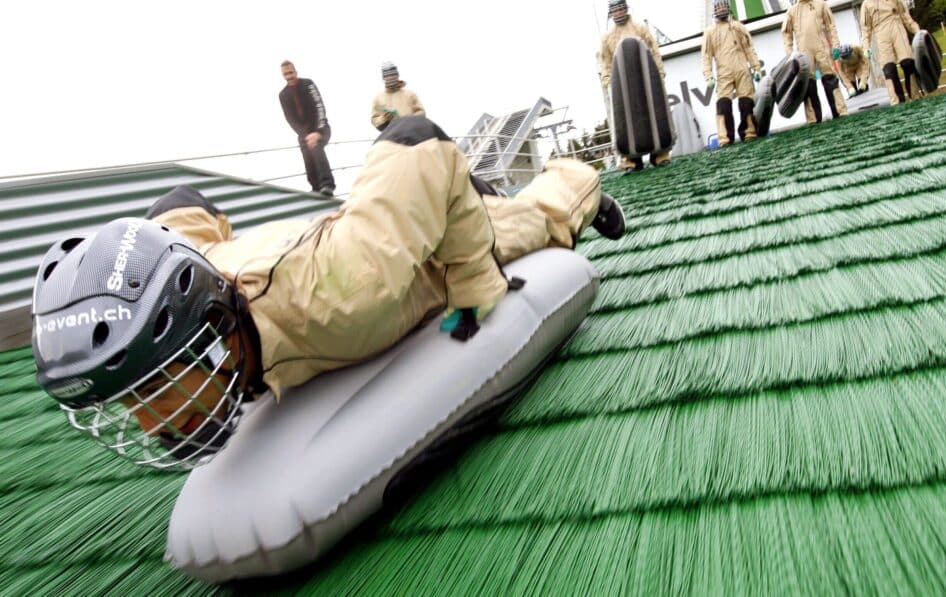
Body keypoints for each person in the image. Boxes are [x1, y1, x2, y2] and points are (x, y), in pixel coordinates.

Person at [31, 116, 628, 469]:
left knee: (528, 225)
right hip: (274, 256)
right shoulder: (194, 275)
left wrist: (473, 288)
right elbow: (182, 207)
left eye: (153, 388)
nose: (144, 420)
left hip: (405, 246)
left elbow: (417, 138)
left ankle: (577, 186)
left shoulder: (348, 291)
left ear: (205, 340)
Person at [598, 0, 671, 171]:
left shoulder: (640, 28)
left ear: (626, 9)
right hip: (623, 87)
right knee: (626, 120)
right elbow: (605, 63)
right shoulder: (607, 37)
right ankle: (632, 159)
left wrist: (659, 73)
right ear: (611, 13)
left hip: (646, 81)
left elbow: (654, 50)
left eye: (621, 9)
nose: (619, 13)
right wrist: (609, 84)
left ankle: (660, 154)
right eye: (615, 10)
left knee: (655, 113)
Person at [702, 0, 763, 146]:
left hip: (742, 70)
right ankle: (725, 138)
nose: (722, 9)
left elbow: (749, 49)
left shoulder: (738, 27)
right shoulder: (710, 32)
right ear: (715, 10)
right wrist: (709, 75)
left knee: (747, 102)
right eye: (719, 7)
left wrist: (756, 68)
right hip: (724, 74)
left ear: (728, 8)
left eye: (724, 6)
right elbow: (706, 56)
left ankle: (749, 132)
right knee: (723, 105)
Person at [782, 0, 849, 123]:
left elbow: (831, 26)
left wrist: (835, 45)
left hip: (822, 47)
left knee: (830, 78)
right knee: (808, 84)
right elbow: (786, 35)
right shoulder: (792, 11)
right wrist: (790, 54)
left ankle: (840, 111)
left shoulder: (821, 4)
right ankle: (813, 119)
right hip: (803, 52)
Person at [278, 60, 336, 197]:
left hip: (321, 127)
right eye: (286, 74)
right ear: (282, 75)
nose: (289, 76)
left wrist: (318, 132)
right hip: (304, 133)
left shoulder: (308, 84)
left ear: (296, 72)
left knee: (315, 147)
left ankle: (327, 185)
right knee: (306, 153)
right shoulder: (283, 95)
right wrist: (304, 135)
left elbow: (319, 106)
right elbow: (290, 118)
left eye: (291, 73)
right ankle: (315, 188)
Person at [860, 0, 923, 105]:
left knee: (907, 63)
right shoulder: (866, 4)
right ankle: (897, 101)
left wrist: (917, 31)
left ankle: (915, 96)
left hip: (896, 25)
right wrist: (866, 46)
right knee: (889, 69)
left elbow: (906, 17)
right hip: (880, 32)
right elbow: (865, 28)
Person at [371, 62, 426, 132]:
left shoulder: (410, 94)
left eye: (393, 74)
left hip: (411, 134)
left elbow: (421, 112)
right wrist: (384, 118)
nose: (390, 77)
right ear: (383, 78)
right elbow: (374, 120)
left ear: (397, 75)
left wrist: (409, 120)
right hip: (390, 136)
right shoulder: (378, 98)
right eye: (387, 75)